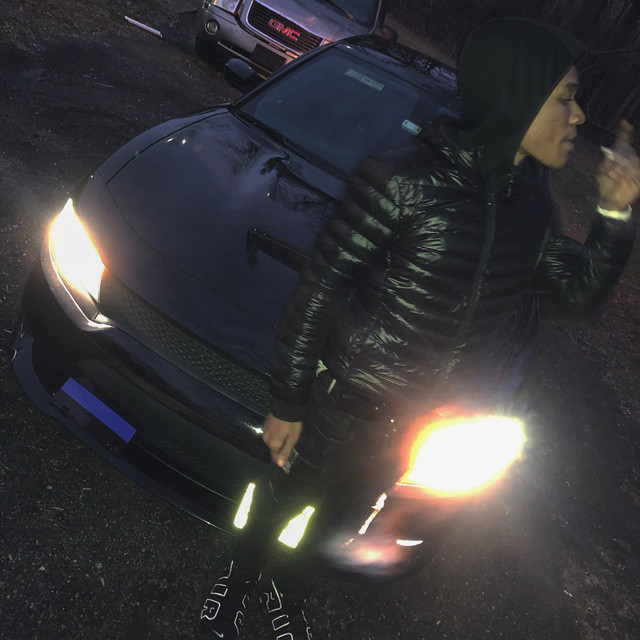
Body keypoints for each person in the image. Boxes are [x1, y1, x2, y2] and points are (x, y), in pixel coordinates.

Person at [199, 17, 638, 639]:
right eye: (565, 97)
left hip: (414, 428)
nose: (579, 115)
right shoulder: (403, 180)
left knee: (336, 524)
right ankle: (240, 579)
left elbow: (576, 295)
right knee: (276, 506)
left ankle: (286, 592)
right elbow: (320, 289)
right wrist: (288, 400)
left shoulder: (532, 208)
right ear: (517, 97)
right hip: (340, 408)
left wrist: (614, 215)